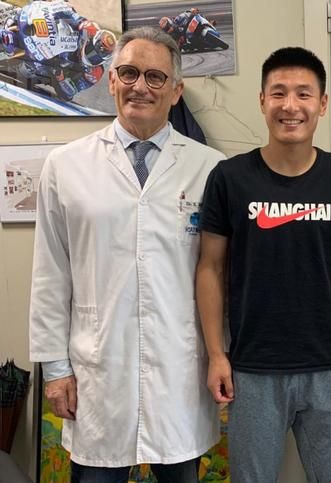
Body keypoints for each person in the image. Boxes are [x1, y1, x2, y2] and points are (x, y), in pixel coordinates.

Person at [29, 26, 225, 483]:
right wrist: (55, 370)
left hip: (180, 376)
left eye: (155, 77)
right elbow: (50, 274)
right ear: (112, 80)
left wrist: (223, 356)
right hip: (98, 377)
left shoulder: (210, 168)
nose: (141, 87)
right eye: (130, 73)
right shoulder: (65, 165)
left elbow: (223, 275)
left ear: (176, 91)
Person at [196, 46, 331, 483]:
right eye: (278, 93)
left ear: (322, 104)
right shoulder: (229, 178)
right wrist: (217, 354)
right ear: (262, 101)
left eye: (303, 94)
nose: (290, 106)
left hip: (327, 367)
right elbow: (210, 268)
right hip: (252, 368)